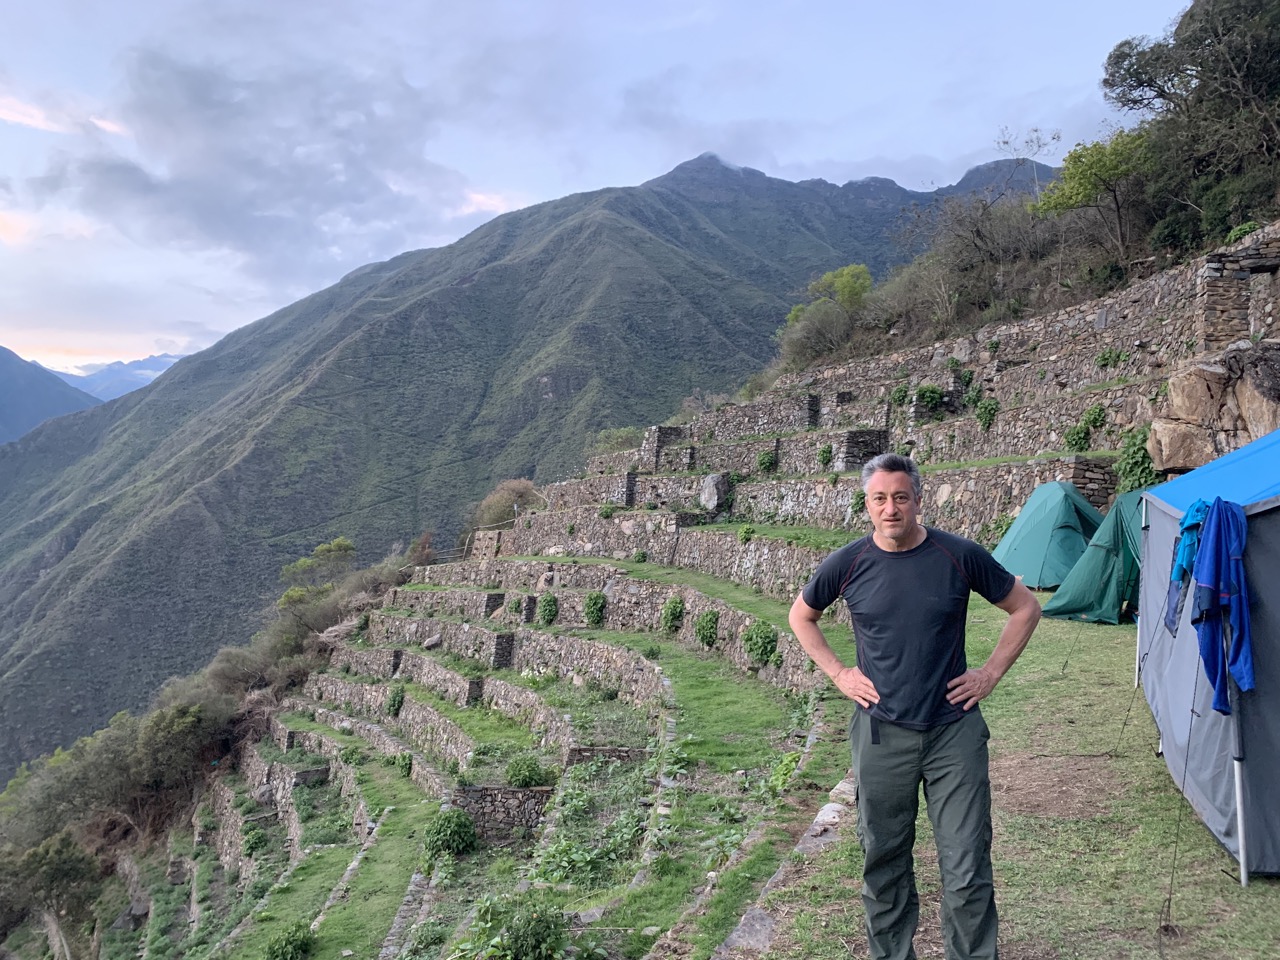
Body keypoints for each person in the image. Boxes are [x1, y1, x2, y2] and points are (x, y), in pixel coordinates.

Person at [788, 452, 1041, 960]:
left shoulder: (958, 554)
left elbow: (1025, 607)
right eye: (879, 499)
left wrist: (989, 674)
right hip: (881, 735)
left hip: (954, 732)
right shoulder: (848, 563)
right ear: (867, 505)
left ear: (918, 501)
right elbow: (801, 616)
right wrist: (840, 673)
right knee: (884, 865)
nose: (890, 508)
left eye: (900, 497)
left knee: (967, 867)